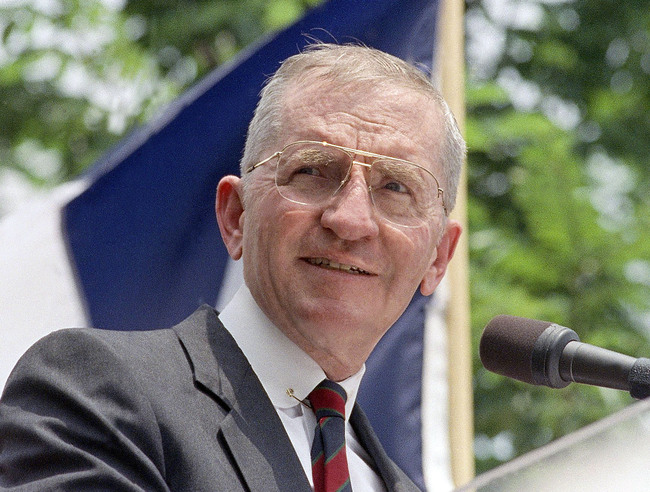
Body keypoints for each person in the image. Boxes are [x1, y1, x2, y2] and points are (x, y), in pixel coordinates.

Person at [0, 43, 464, 491]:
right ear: (236, 216)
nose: (349, 219)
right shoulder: (97, 392)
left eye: (397, 187)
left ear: (439, 257)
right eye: (312, 170)